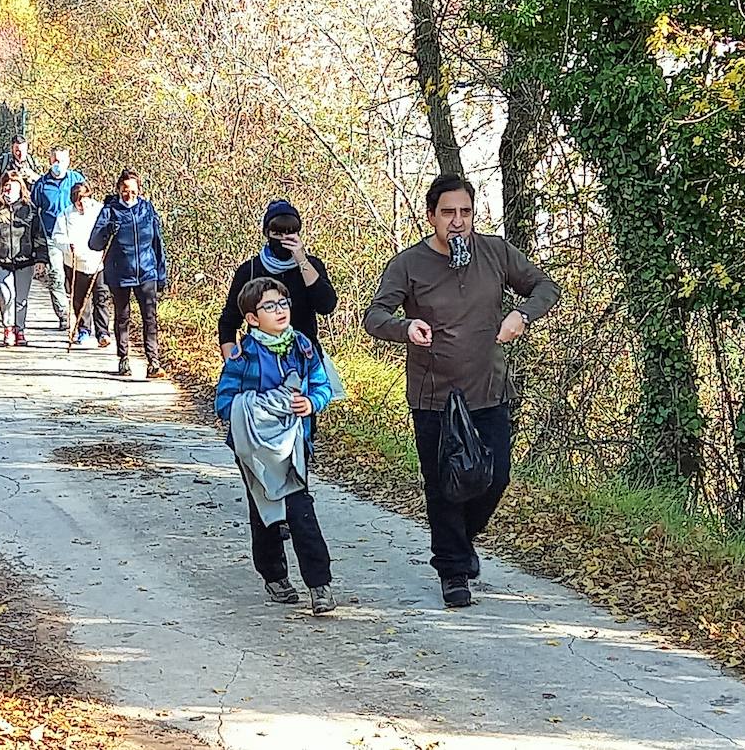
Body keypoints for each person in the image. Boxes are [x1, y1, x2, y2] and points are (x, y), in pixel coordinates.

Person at [363, 173, 561, 608]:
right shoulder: (409, 264)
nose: (458, 221)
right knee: (443, 484)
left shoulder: (494, 253)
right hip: (435, 395)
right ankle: (453, 570)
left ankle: (459, 542)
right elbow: (374, 316)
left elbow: (546, 286)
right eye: (448, 212)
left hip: (488, 389)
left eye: (466, 212)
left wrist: (522, 316)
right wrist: (406, 326)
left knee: (495, 477)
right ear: (431, 215)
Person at [215, 277, 336, 614]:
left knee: (299, 509)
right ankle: (274, 575)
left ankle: (320, 585)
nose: (280, 311)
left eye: (283, 304)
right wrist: (261, 408)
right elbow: (224, 402)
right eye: (269, 306)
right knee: (265, 509)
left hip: (294, 444)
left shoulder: (303, 346)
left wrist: (311, 403)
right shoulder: (243, 356)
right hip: (254, 450)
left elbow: (322, 385)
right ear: (252, 318)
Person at [219, 200, 337, 358]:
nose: (283, 240)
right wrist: (232, 363)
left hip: (306, 359)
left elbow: (326, 305)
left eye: (289, 233)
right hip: (260, 362)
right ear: (267, 233)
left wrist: (301, 259)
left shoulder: (312, 266)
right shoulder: (250, 270)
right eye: (277, 233)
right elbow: (228, 322)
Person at [88, 169, 167, 378]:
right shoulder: (109, 210)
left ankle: (153, 362)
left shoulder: (147, 209)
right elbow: (94, 243)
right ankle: (123, 358)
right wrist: (107, 230)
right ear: (118, 190)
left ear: (139, 191)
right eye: (124, 190)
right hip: (119, 273)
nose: (128, 195)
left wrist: (161, 273)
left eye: (132, 191)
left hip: (147, 272)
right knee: (122, 317)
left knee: (150, 318)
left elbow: (157, 242)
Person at [0, 171, 47, 346]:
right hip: (2, 260)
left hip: (25, 260)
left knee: (21, 299)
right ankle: (8, 327)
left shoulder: (29, 209)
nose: (8, 189)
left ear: (20, 187)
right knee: (6, 296)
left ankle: (19, 329)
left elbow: (39, 235)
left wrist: (41, 259)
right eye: (6, 185)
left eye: (12, 185)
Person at [31, 146, 86, 331]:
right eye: (54, 160)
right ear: (49, 160)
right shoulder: (41, 184)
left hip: (75, 236)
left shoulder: (77, 180)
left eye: (61, 160)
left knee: (77, 278)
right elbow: (33, 212)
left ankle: (82, 316)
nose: (58, 164)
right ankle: (63, 314)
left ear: (68, 160)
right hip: (52, 237)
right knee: (56, 276)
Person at [54, 182, 110, 348]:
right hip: (75, 263)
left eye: (84, 199)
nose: (81, 204)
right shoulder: (65, 215)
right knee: (80, 299)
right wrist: (67, 245)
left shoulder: (100, 211)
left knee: (101, 297)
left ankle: (103, 332)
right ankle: (83, 330)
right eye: (77, 201)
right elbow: (57, 237)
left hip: (98, 262)